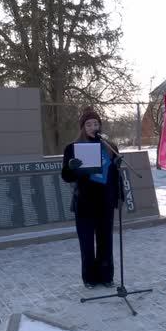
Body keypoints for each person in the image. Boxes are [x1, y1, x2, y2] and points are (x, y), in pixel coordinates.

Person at [61, 107, 120, 289]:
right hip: (85, 202)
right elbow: (66, 176)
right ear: (82, 127)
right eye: (89, 124)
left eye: (96, 123)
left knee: (105, 241)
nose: (93, 127)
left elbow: (115, 177)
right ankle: (89, 278)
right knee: (87, 242)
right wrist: (72, 167)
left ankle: (106, 276)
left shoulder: (110, 147)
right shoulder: (72, 148)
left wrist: (117, 196)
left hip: (105, 201)